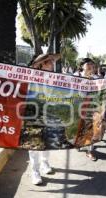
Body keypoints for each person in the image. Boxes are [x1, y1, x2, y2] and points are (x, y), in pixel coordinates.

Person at [29, 53, 61, 185]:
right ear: (41, 64)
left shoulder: (57, 78)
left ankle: (44, 163)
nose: (52, 64)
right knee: (34, 142)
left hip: (50, 113)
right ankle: (34, 171)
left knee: (47, 140)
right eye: (49, 62)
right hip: (34, 113)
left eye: (53, 62)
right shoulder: (31, 75)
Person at [74, 58, 99, 161]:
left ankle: (90, 150)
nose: (90, 66)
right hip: (78, 107)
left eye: (91, 64)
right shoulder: (76, 76)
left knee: (91, 129)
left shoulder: (96, 78)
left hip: (91, 107)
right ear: (82, 65)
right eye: (87, 64)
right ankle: (79, 144)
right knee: (78, 128)